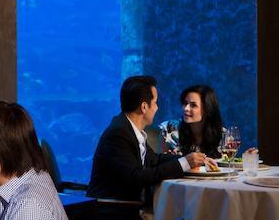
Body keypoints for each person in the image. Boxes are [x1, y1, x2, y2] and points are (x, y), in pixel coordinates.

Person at [87, 75, 208, 204]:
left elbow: (154, 160)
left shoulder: (129, 129)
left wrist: (193, 159)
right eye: (155, 102)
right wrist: (184, 163)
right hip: (113, 209)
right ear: (144, 107)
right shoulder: (118, 134)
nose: (157, 108)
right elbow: (137, 177)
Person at [158, 84, 225, 157]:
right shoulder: (170, 130)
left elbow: (227, 162)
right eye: (185, 103)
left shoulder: (222, 135)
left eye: (193, 105)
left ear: (207, 109)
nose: (186, 108)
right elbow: (161, 162)